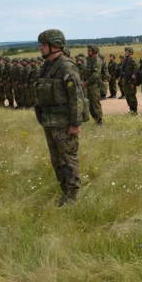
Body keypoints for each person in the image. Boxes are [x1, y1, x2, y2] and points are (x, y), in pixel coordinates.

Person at [35, 29, 87, 206]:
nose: (41, 48)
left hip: (64, 123)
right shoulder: (47, 66)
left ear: (54, 45)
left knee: (68, 158)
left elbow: (76, 96)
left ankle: (72, 196)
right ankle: (64, 192)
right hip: (49, 121)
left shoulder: (66, 66)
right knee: (56, 159)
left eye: (44, 44)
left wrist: (75, 123)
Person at [83, 44, 104, 125]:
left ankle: (99, 120)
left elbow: (95, 75)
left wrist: (86, 82)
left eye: (89, 50)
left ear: (94, 51)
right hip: (88, 85)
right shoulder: (89, 60)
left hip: (94, 85)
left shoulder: (97, 61)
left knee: (95, 103)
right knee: (90, 103)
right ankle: (95, 118)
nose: (87, 52)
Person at [121, 46, 139, 113]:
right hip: (126, 82)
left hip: (131, 82)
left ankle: (134, 110)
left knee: (132, 96)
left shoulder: (133, 61)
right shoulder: (125, 61)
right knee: (127, 96)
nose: (125, 53)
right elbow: (122, 71)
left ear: (131, 53)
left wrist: (133, 83)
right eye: (125, 52)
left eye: (127, 52)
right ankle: (131, 109)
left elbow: (135, 73)